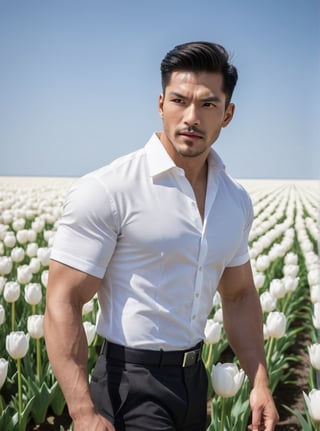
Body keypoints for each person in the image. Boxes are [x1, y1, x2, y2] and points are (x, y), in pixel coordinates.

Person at [44, 41, 279, 431]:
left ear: (228, 114)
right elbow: (63, 298)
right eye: (179, 100)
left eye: (207, 104)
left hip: (193, 381)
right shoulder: (109, 190)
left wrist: (259, 381)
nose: (191, 116)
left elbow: (238, 295)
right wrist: (82, 412)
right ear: (160, 104)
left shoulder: (234, 200)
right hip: (128, 384)